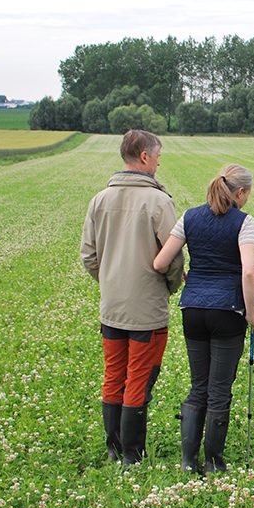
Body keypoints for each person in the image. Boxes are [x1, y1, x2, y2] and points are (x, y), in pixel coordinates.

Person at [80, 130, 184, 465]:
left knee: (113, 375)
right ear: (143, 157)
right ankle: (131, 453)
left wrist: (110, 280)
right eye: (157, 156)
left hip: (111, 308)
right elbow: (173, 255)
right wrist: (169, 285)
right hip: (147, 309)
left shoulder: (99, 200)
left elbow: (88, 256)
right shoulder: (158, 202)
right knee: (139, 376)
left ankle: (113, 447)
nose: (158, 161)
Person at [152, 164, 254, 474]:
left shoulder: (190, 216)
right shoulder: (244, 222)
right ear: (240, 193)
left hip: (193, 309)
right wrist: (251, 313)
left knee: (198, 384)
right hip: (227, 311)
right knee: (219, 388)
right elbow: (249, 272)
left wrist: (187, 275)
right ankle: (213, 461)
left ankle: (188, 461)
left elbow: (160, 262)